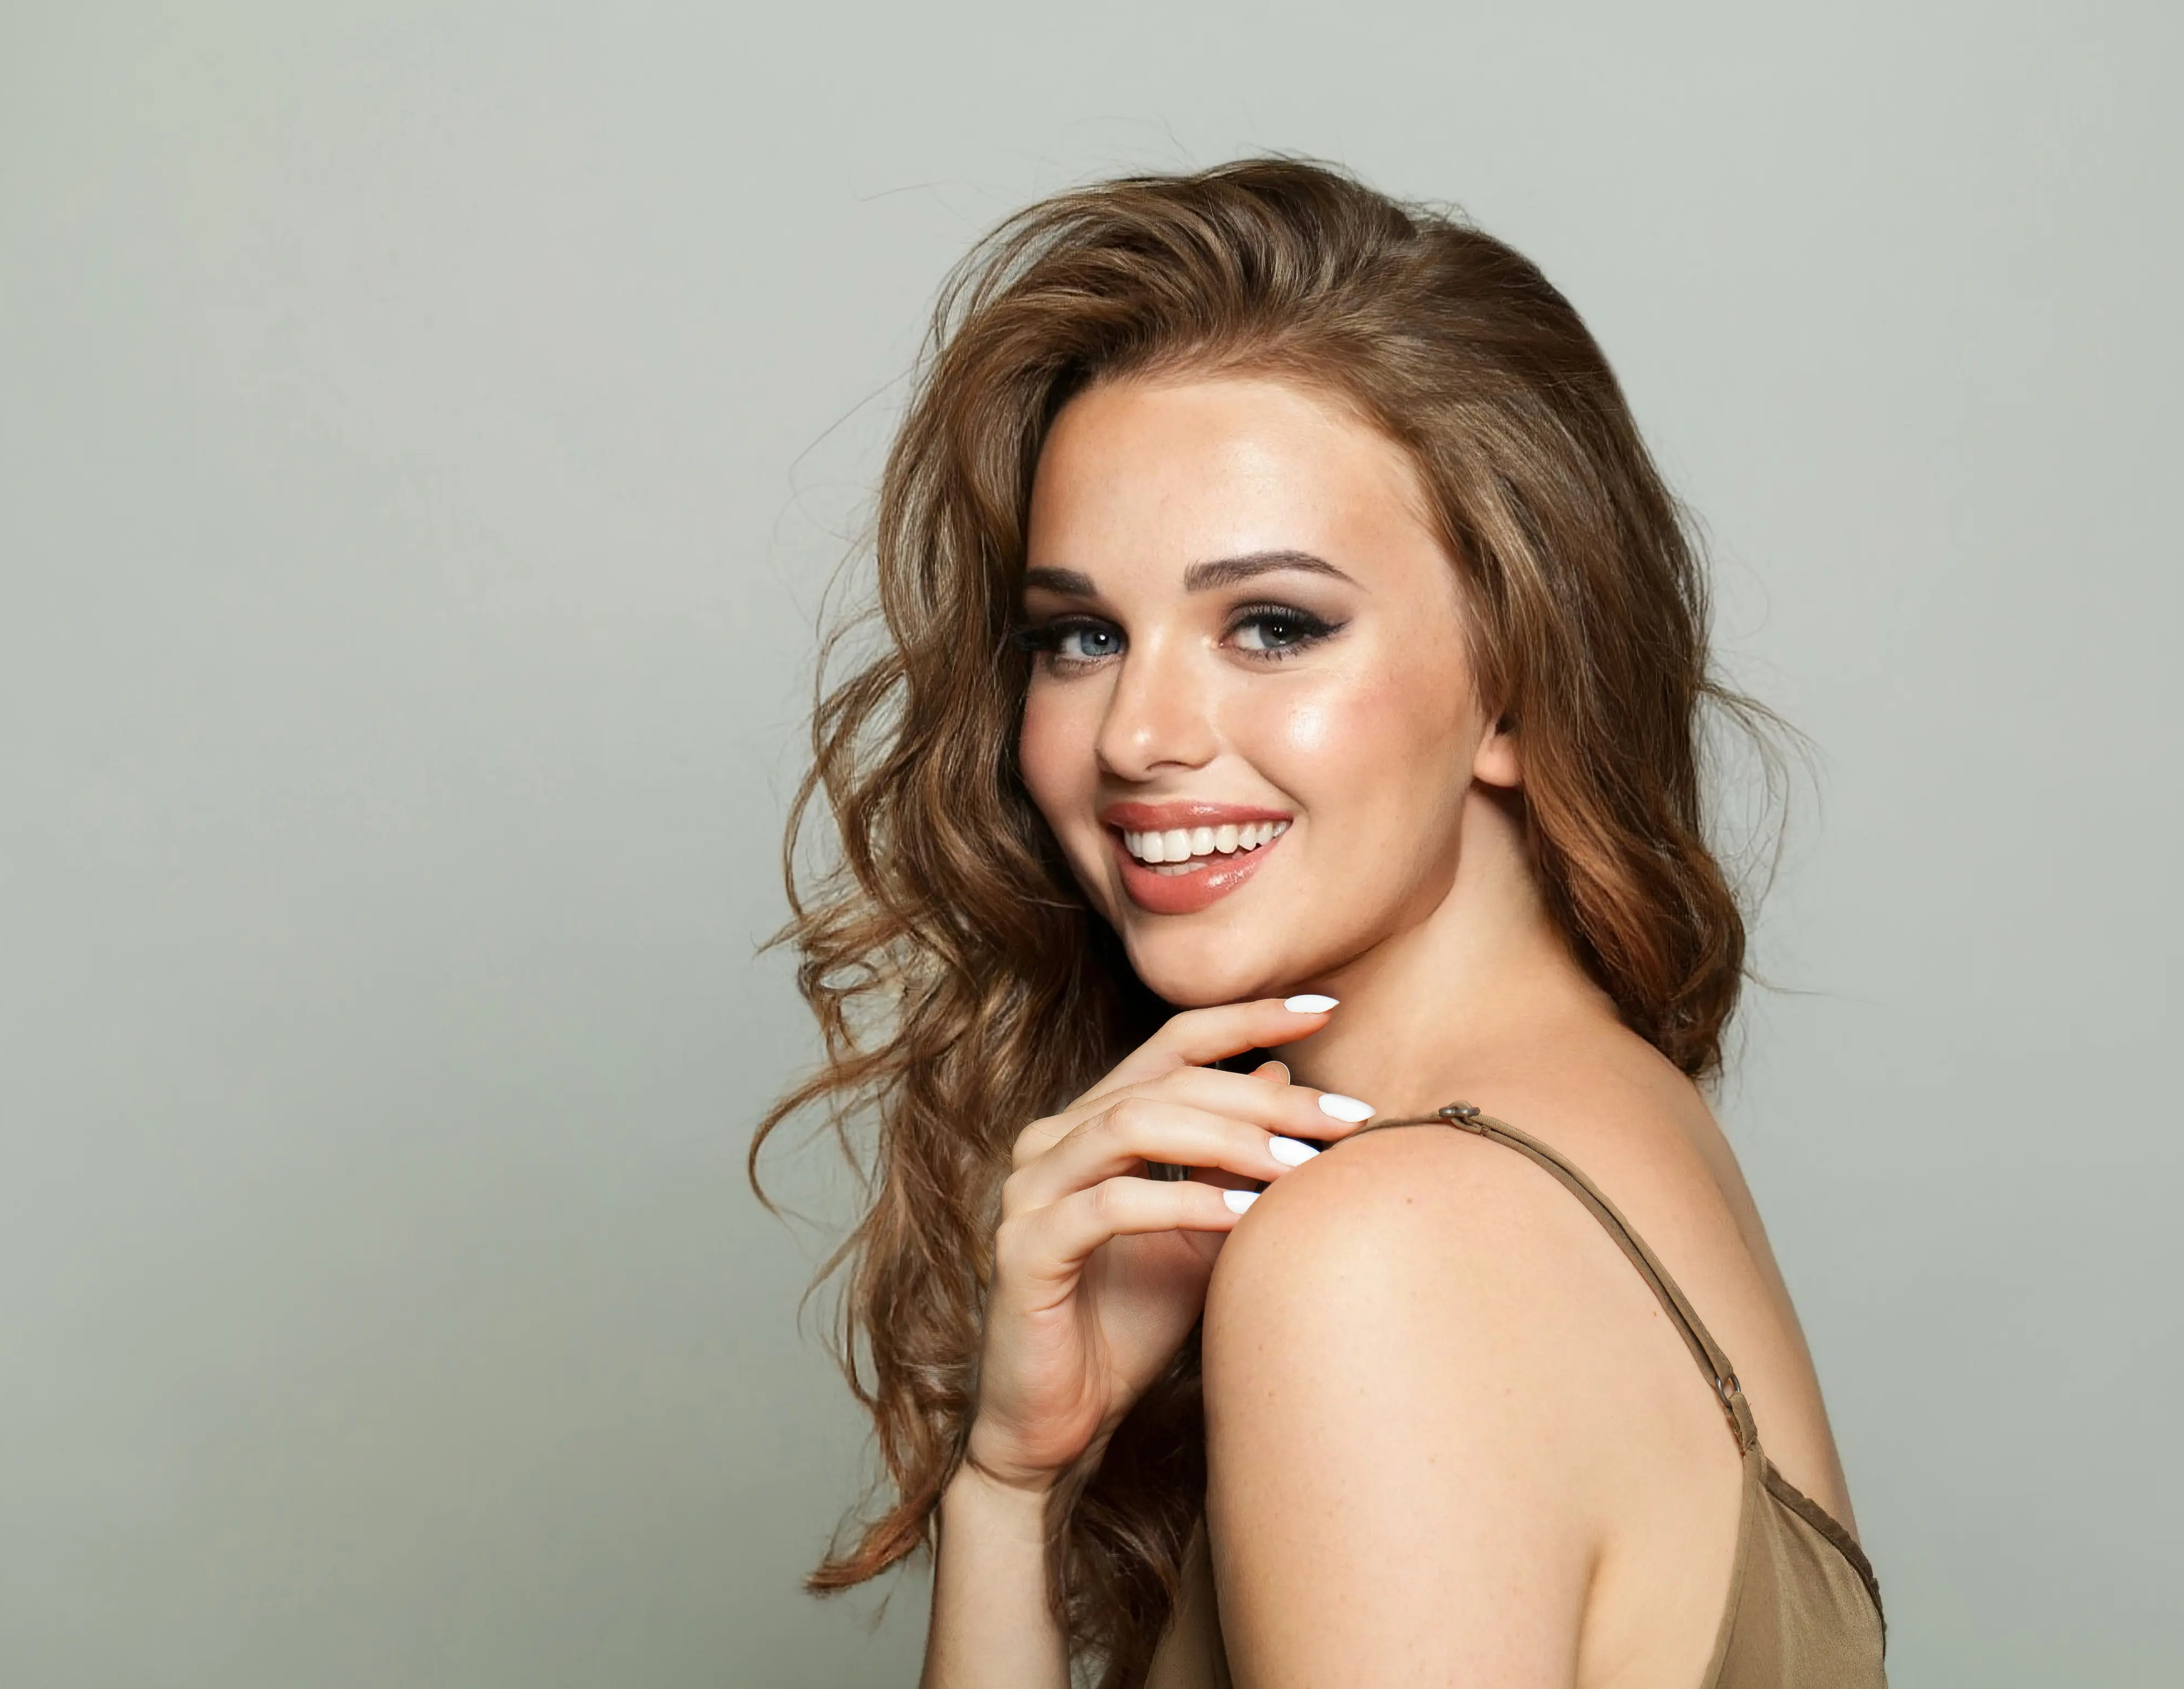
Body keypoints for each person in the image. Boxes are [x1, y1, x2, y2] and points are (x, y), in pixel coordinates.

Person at [756, 156, 1887, 1688]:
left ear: (1515, 674)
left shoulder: (1388, 1255)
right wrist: (1013, 1484)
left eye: (1273, 625)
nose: (1139, 735)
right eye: (1080, 635)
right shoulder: (1606, 1125)